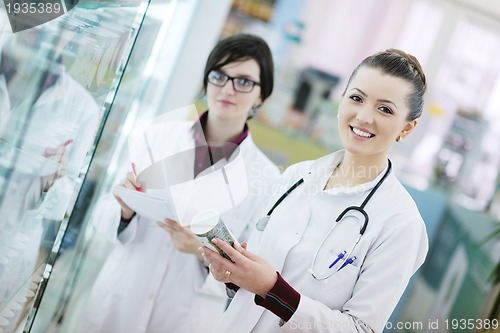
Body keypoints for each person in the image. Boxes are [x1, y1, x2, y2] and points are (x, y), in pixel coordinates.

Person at [203, 49, 429, 333]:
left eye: (385, 109)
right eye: (356, 98)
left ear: (406, 128)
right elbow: (254, 292)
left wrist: (272, 289)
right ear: (341, 101)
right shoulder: (298, 176)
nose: (363, 117)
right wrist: (235, 277)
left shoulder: (401, 223)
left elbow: (361, 329)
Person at [76, 33, 280, 333]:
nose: (228, 88)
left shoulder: (267, 178)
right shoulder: (157, 136)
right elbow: (101, 218)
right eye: (219, 75)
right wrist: (125, 212)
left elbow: (252, 273)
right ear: (206, 80)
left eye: (244, 81)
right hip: (119, 299)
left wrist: (200, 251)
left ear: (261, 96)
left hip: (185, 317)